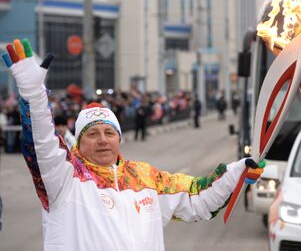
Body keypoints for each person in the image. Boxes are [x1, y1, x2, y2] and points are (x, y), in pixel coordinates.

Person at [1, 38, 265, 251]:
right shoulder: (64, 179)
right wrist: (34, 95)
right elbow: (42, 145)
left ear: (119, 137)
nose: (103, 140)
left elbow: (197, 198)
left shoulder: (145, 178)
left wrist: (237, 172)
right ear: (78, 143)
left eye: (109, 132)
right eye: (92, 134)